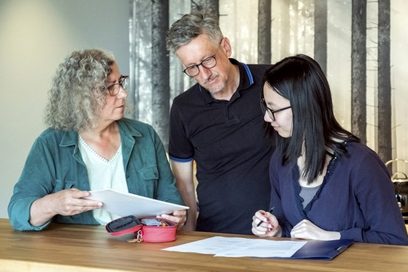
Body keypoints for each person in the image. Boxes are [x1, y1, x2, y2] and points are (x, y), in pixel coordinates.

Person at [8, 49, 186, 231]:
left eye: (121, 83)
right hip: (77, 253)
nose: (123, 94)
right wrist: (53, 204)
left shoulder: (145, 135)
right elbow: (17, 212)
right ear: (81, 97)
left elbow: (171, 201)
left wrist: (175, 216)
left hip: (139, 249)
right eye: (110, 87)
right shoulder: (50, 144)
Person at [251, 54, 408, 245]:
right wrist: (275, 230)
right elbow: (290, 231)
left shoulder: (362, 164)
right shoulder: (281, 160)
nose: (267, 118)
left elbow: (396, 241)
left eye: (273, 109)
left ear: (304, 107)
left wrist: (334, 237)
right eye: (265, 107)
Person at [166, 10, 275, 234]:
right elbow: (184, 184)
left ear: (225, 47)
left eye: (207, 60)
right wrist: (189, 236)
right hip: (214, 234)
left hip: (278, 230)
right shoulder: (183, 108)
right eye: (192, 68)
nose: (204, 74)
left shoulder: (271, 82)